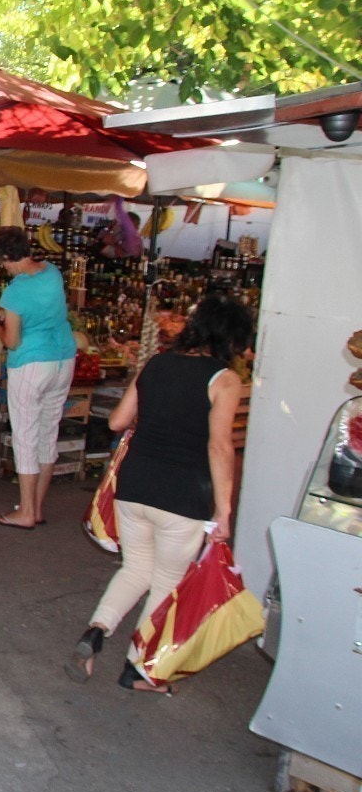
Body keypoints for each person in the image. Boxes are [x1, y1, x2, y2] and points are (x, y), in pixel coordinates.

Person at [65, 295, 254, 693]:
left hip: (133, 487)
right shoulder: (225, 380)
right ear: (231, 340)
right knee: (166, 581)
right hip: (183, 496)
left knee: (135, 568)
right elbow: (220, 447)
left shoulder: (156, 363)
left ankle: (96, 632)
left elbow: (117, 421)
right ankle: (139, 671)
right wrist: (225, 509)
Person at [0, 225, 77, 529]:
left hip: (32, 364)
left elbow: (13, 341)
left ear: (8, 256)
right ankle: (36, 506)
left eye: (3, 263)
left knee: (25, 437)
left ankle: (24, 512)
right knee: (48, 434)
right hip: (63, 359)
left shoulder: (16, 290)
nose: (5, 269)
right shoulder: (52, 272)